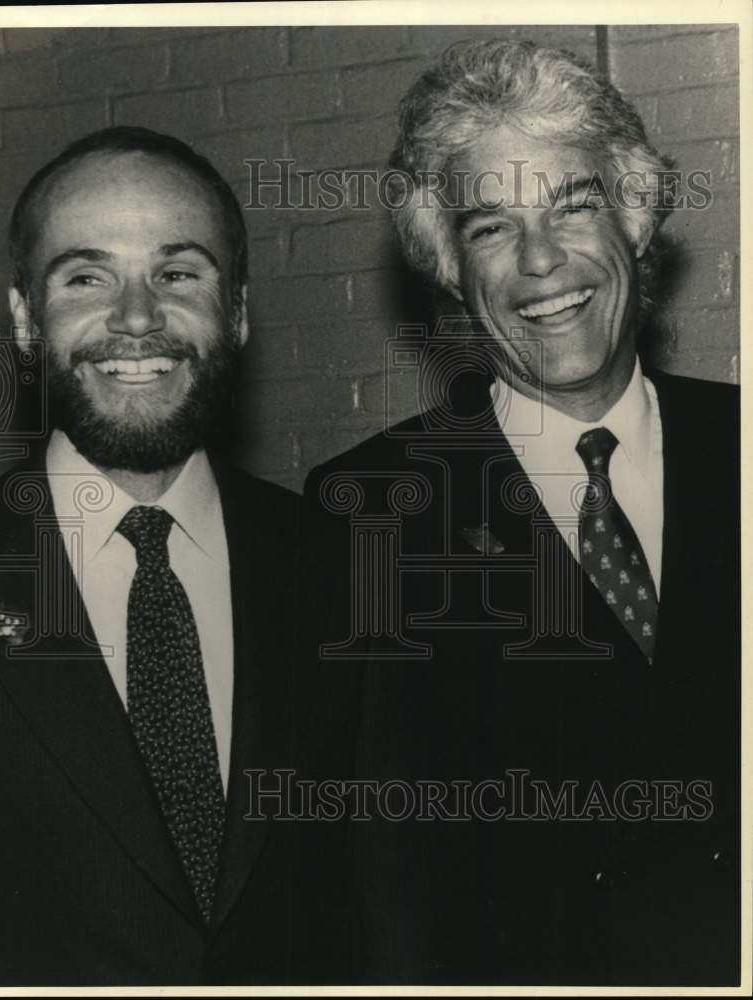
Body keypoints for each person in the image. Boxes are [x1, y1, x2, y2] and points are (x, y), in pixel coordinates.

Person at [303, 41, 740, 986]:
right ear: (451, 271)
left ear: (635, 218)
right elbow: (377, 880)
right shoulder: (367, 513)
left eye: (572, 207)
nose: (542, 262)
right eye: (492, 228)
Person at [0, 127, 300, 986]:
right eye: (86, 277)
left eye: (177, 273)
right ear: (22, 320)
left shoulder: (345, 568)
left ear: (235, 311)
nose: (135, 317)